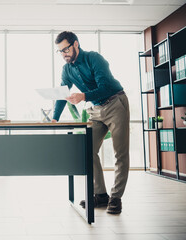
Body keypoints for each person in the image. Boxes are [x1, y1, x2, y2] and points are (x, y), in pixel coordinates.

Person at [52, 31, 130, 214]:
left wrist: (84, 96)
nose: (64, 54)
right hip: (96, 110)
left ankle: (116, 198)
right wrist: (55, 117)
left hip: (115, 103)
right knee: (87, 149)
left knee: (120, 154)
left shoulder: (94, 58)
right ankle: (101, 195)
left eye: (66, 49)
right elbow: (63, 94)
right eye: (60, 51)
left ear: (76, 45)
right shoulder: (67, 69)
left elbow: (105, 87)